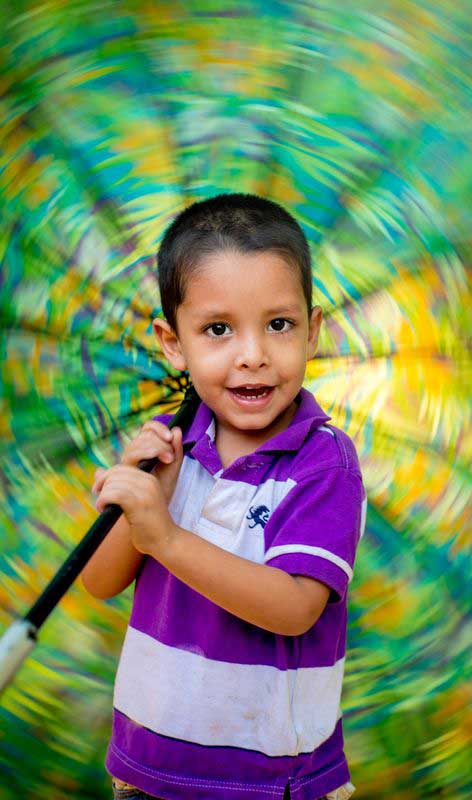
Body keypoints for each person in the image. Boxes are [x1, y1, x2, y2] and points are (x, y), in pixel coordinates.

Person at [81, 193, 367, 800]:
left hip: (271, 780)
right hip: (147, 769)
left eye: (279, 324)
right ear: (173, 343)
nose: (253, 355)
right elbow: (100, 581)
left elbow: (294, 609)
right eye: (217, 329)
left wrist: (166, 537)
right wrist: (134, 503)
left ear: (313, 330)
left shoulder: (324, 463)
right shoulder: (171, 447)